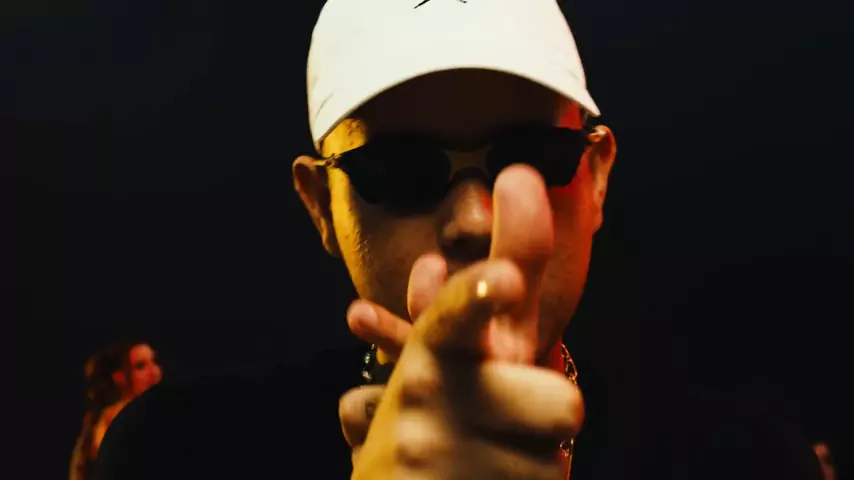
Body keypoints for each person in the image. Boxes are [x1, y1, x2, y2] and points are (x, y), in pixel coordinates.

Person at [94, 1, 822, 479]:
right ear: (320, 206)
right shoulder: (179, 452)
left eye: (532, 155)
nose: (474, 218)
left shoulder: (746, 462)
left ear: (597, 176)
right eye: (398, 169)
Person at [71, 341, 162, 480]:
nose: (153, 372)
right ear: (119, 377)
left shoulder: (150, 415)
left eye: (154, 362)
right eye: (140, 366)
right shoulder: (116, 420)